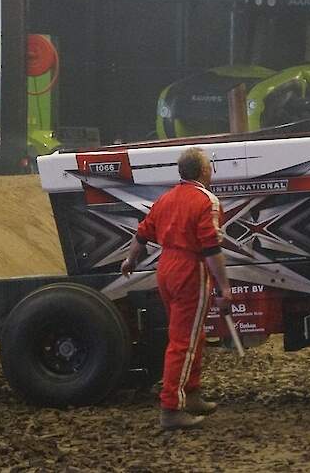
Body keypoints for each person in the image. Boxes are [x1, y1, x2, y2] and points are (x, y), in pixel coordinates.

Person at [121, 147, 234, 430]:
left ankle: (191, 394)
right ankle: (171, 408)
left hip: (166, 268)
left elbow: (142, 233)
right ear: (204, 171)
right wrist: (225, 288)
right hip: (190, 270)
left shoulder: (165, 199)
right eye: (209, 166)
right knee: (183, 341)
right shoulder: (206, 201)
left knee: (191, 335)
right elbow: (211, 249)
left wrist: (129, 260)